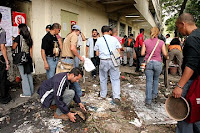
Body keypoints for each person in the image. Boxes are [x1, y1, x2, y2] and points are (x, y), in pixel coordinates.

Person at [172, 13, 200, 133]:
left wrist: (179, 86)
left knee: (184, 112)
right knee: (196, 111)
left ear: (183, 24)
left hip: (192, 82)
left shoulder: (192, 39)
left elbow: (191, 65)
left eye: (178, 27)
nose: (179, 30)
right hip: (198, 82)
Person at [141, 27, 168, 107]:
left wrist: (147, 52)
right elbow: (165, 54)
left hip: (148, 63)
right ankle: (154, 96)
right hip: (158, 63)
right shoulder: (161, 42)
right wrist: (166, 57)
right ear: (158, 33)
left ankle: (148, 101)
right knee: (156, 79)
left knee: (149, 81)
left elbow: (142, 53)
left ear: (150, 32)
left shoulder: (146, 41)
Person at [94, 25, 121, 105]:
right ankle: (116, 96)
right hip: (113, 61)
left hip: (103, 61)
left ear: (102, 32)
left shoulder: (99, 40)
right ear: (109, 31)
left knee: (103, 78)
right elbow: (118, 50)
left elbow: (97, 53)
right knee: (115, 78)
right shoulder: (114, 39)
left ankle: (103, 95)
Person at [60, 25, 84, 97]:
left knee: (67, 78)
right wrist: (79, 57)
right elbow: (73, 48)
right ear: (78, 31)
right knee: (73, 77)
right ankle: (78, 93)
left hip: (64, 59)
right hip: (68, 59)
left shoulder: (68, 36)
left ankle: (71, 93)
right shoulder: (74, 36)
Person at [12, 23, 34, 97]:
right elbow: (31, 50)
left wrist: (13, 40)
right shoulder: (29, 38)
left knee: (23, 76)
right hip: (29, 58)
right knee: (29, 74)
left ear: (20, 29)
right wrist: (31, 60)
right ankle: (31, 90)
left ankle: (27, 93)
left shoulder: (19, 37)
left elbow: (14, 47)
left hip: (22, 58)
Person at [0, 12, 11, 104]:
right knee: (2, 78)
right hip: (0, 58)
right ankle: (4, 98)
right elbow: (2, 47)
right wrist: (7, 61)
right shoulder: (1, 31)